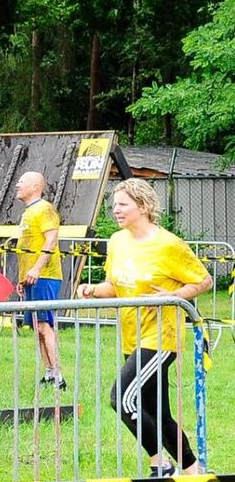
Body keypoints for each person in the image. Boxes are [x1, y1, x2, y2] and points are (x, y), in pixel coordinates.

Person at [77, 179, 212, 477]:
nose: (116, 210)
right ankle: (192, 469)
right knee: (158, 414)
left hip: (160, 340)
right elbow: (114, 286)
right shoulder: (117, 241)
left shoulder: (169, 245)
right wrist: (93, 290)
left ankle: (159, 464)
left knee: (123, 399)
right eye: (114, 205)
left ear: (144, 207)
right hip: (132, 337)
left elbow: (204, 280)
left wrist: (173, 296)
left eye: (123, 204)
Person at [13, 170, 65, 389]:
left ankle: (59, 376)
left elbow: (51, 239)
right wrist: (22, 278)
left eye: (21, 182)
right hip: (31, 278)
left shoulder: (44, 209)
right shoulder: (29, 212)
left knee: (45, 325)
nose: (17, 185)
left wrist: (36, 268)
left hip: (45, 275)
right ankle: (48, 372)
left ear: (35, 186)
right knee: (37, 326)